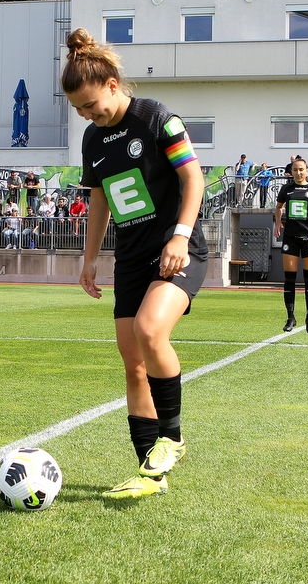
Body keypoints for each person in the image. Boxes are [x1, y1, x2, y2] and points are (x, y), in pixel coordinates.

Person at [62, 28, 208, 500]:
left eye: (91, 104)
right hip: (130, 258)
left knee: (150, 332)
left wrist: (181, 237)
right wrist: (89, 260)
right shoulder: (93, 139)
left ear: (111, 85)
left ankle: (174, 438)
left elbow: (194, 179)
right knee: (132, 365)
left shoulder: (157, 118)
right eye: (79, 110)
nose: (88, 115)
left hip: (176, 250)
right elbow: (100, 200)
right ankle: (150, 475)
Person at [274, 156, 308, 334]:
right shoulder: (286, 189)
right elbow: (279, 207)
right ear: (291, 172)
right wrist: (278, 223)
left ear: (307, 171)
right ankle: (291, 317)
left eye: (301, 169)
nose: (298, 173)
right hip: (291, 238)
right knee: (289, 279)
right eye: (295, 170)